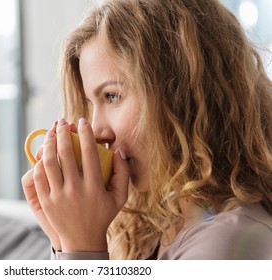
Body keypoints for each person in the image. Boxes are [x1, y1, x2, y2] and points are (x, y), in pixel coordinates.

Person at [21, 0, 272, 260]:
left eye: (112, 96)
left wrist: (82, 249)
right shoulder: (162, 220)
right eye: (90, 103)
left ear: (179, 94)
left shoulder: (227, 244)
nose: (97, 130)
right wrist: (64, 241)